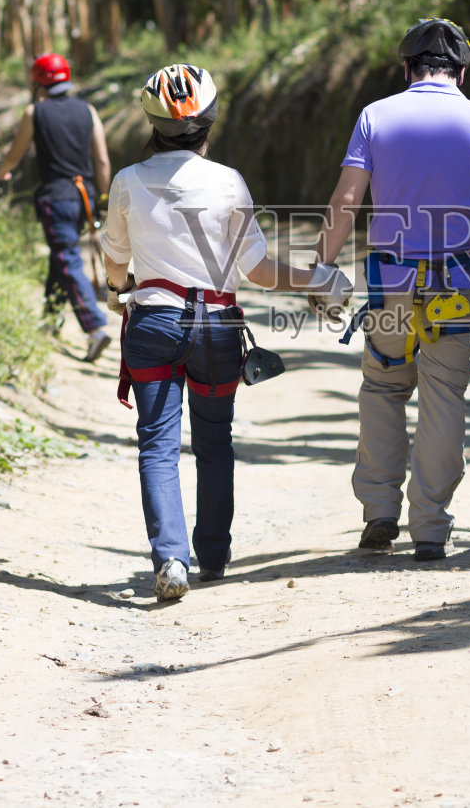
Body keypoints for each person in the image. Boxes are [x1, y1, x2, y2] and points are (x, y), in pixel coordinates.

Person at [101, 63, 351, 600]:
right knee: (214, 443)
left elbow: (116, 264)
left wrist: (117, 287)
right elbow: (255, 270)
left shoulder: (126, 182)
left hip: (154, 323)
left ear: (151, 122)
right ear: (210, 120)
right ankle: (212, 555)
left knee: (157, 447)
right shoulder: (228, 181)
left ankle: (171, 559)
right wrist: (317, 279)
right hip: (216, 327)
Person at [314, 18, 470, 562]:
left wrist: (323, 267)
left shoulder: (375, 116)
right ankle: (430, 526)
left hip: (393, 282)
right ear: (461, 71)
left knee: (385, 388)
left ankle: (380, 510)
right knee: (443, 396)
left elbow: (346, 202)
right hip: (460, 281)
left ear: (407, 68)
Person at [0, 52, 113, 363]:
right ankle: (49, 323)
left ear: (37, 82)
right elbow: (101, 160)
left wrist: (1, 172)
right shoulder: (88, 110)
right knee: (61, 256)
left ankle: (95, 329)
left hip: (55, 197)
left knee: (66, 257)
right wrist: (103, 199)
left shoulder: (35, 112)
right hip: (83, 197)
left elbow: (15, 153)